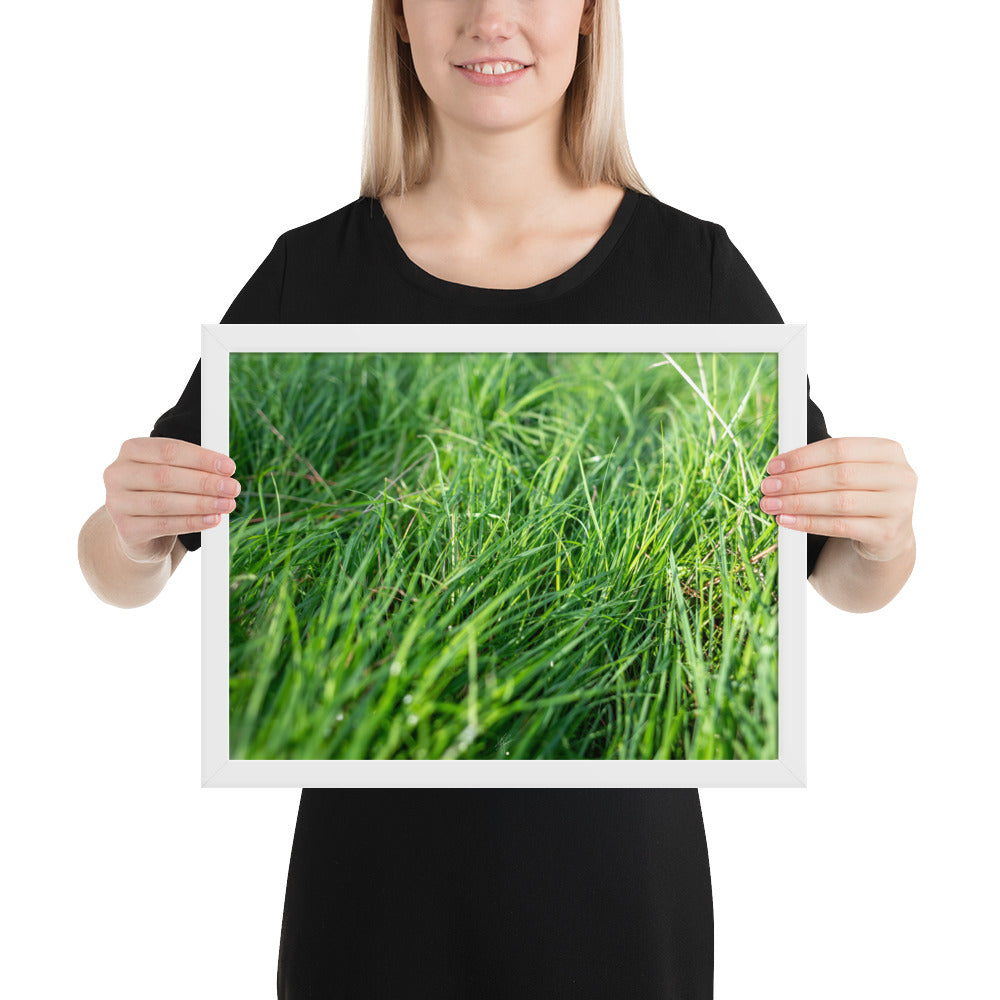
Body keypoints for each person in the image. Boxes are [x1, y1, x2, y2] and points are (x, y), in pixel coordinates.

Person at [78, 1, 917, 996]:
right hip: (371, 897)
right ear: (397, 20)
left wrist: (883, 531)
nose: (491, 19)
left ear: (590, 19)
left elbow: (842, 575)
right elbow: (122, 566)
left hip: (618, 897)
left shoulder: (691, 270)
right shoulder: (312, 272)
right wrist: (131, 531)